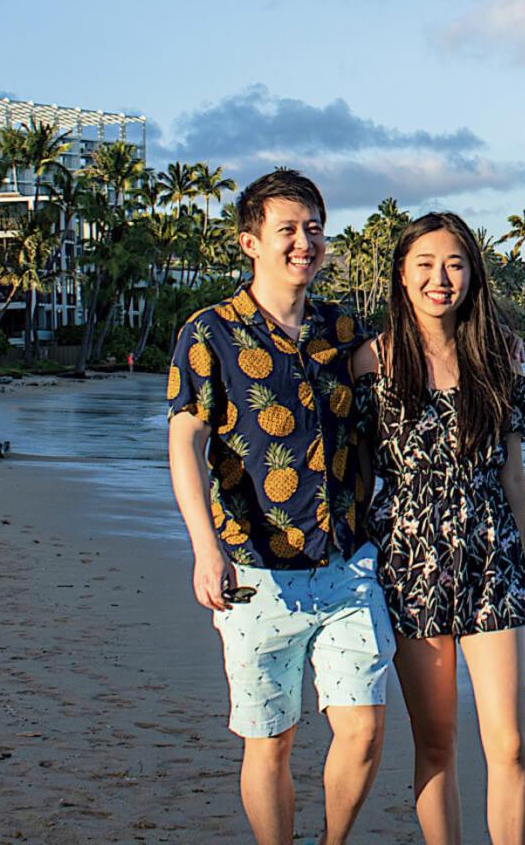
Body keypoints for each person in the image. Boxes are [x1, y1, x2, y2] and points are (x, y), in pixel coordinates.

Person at [166, 168, 389, 845]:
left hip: (348, 564)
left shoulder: (345, 330)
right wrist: (205, 550)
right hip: (254, 572)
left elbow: (423, 363)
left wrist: (496, 353)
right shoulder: (211, 333)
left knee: (364, 727)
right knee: (272, 740)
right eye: (288, 229)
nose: (304, 242)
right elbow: (186, 442)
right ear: (250, 242)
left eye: (314, 228)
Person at [351, 210, 525, 845]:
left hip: (492, 558)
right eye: (426, 265)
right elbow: (356, 480)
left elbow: (513, 479)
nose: (441, 278)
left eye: (455, 264)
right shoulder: (372, 362)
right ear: (402, 276)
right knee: (437, 745)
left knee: (509, 745)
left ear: (473, 276)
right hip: (409, 562)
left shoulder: (498, 356)